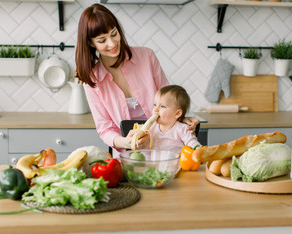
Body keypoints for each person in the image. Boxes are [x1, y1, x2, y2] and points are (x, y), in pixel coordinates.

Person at [75, 4, 199, 156]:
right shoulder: (92, 80)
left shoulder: (147, 57)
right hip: (128, 155)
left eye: (114, 34)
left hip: (165, 149)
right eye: (102, 40)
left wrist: (182, 118)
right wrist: (126, 142)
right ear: (90, 43)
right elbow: (105, 129)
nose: (112, 44)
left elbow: (170, 99)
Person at [141, 85, 201, 154]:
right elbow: (145, 150)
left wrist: (199, 150)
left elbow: (193, 144)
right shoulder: (151, 128)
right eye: (155, 105)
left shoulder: (182, 129)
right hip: (153, 164)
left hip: (175, 164)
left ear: (177, 113)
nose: (156, 109)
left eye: (162, 106)